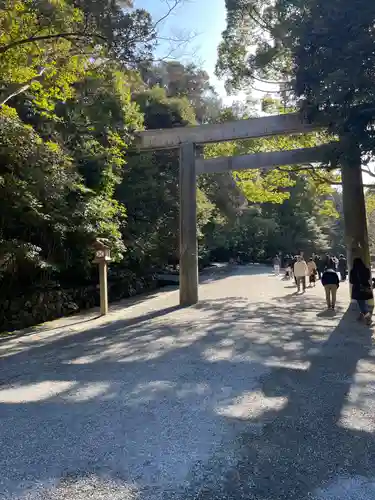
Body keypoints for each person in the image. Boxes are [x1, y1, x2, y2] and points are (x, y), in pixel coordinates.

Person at [350, 257, 373, 325]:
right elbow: (368, 278)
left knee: (361, 303)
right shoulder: (366, 269)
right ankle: (361, 316)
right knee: (363, 302)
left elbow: (351, 281)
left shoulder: (353, 270)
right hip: (366, 287)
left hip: (357, 289)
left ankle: (368, 318)